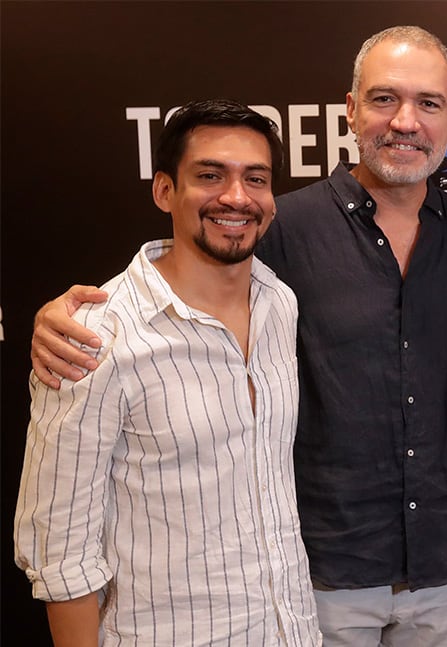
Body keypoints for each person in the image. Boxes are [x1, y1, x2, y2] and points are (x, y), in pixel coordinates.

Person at [27, 26, 447, 647]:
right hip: (321, 572)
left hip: (446, 568)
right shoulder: (283, 226)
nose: (406, 122)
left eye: (429, 104)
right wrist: (68, 315)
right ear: (351, 110)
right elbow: (191, 276)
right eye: (386, 99)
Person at [13, 99, 319, 645]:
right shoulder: (93, 335)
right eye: (210, 175)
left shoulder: (280, 304)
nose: (236, 197)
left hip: (289, 628)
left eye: (256, 178)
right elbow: (59, 549)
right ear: (163, 191)